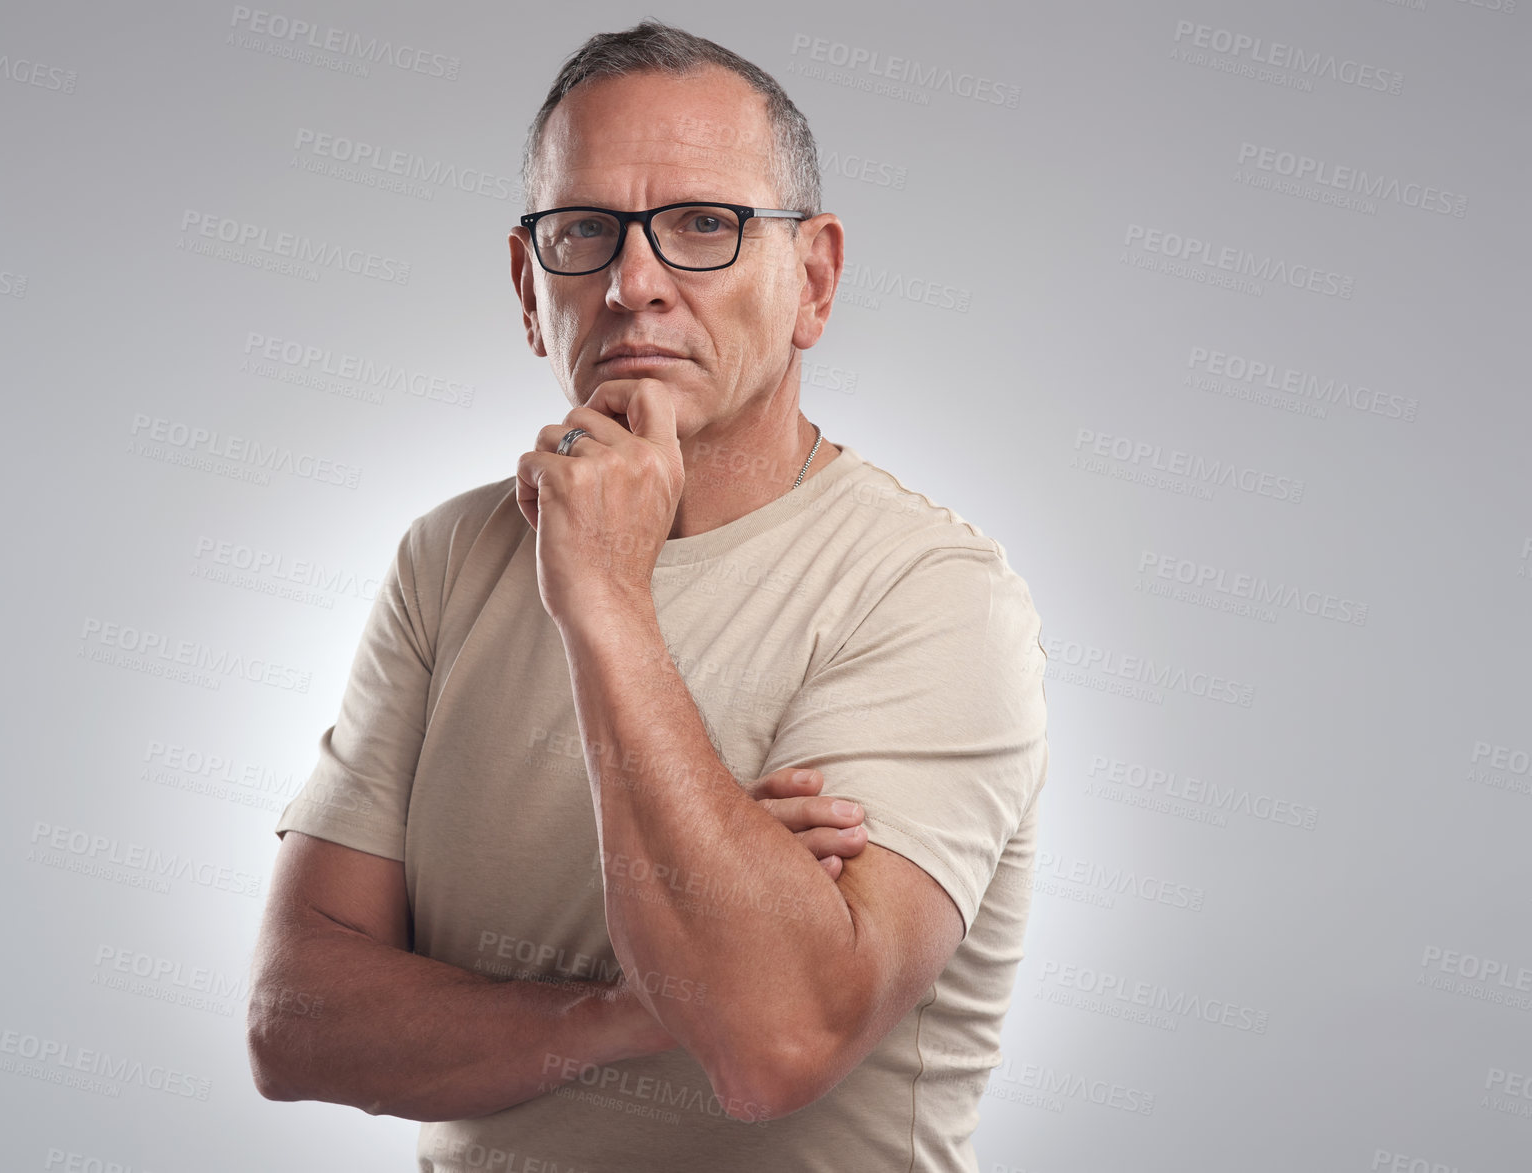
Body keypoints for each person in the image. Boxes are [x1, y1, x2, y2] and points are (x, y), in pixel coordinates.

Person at [247, 19, 1049, 1173]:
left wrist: (607, 599)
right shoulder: (450, 556)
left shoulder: (928, 595)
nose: (632, 284)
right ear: (531, 287)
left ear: (811, 278)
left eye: (701, 227)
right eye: (583, 231)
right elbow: (295, 1022)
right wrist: (628, 1007)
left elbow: (772, 1043)